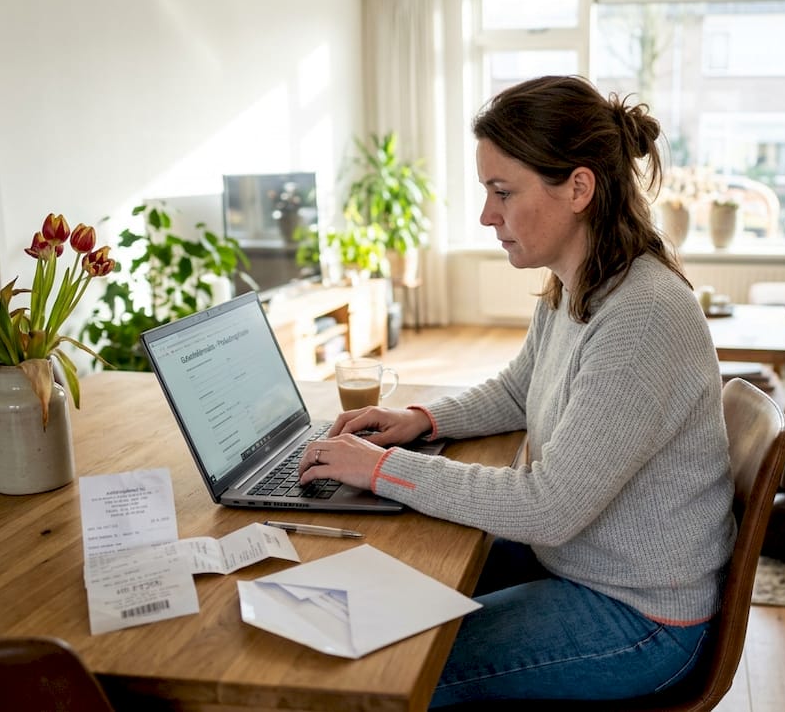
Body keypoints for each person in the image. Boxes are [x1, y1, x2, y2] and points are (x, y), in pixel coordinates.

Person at [297, 75, 735, 707]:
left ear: (579, 187)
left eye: (503, 192)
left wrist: (385, 469)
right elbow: (518, 388)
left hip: (641, 617)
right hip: (577, 560)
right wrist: (420, 420)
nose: (486, 215)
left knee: (398, 675)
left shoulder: (644, 313)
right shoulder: (579, 280)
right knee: (386, 583)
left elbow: (548, 506)